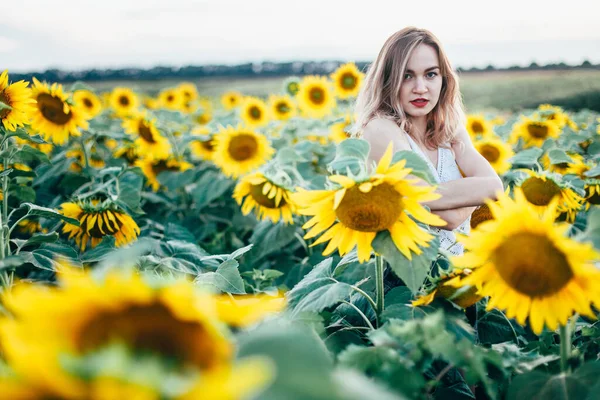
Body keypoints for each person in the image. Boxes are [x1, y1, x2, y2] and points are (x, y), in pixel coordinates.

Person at [351, 27, 503, 255]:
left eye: (430, 74)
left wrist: (448, 197)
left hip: (452, 279)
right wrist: (474, 191)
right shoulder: (380, 129)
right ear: (387, 80)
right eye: (407, 76)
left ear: (444, 79)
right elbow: (446, 218)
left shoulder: (451, 130)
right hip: (402, 279)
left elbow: (495, 186)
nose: (420, 88)